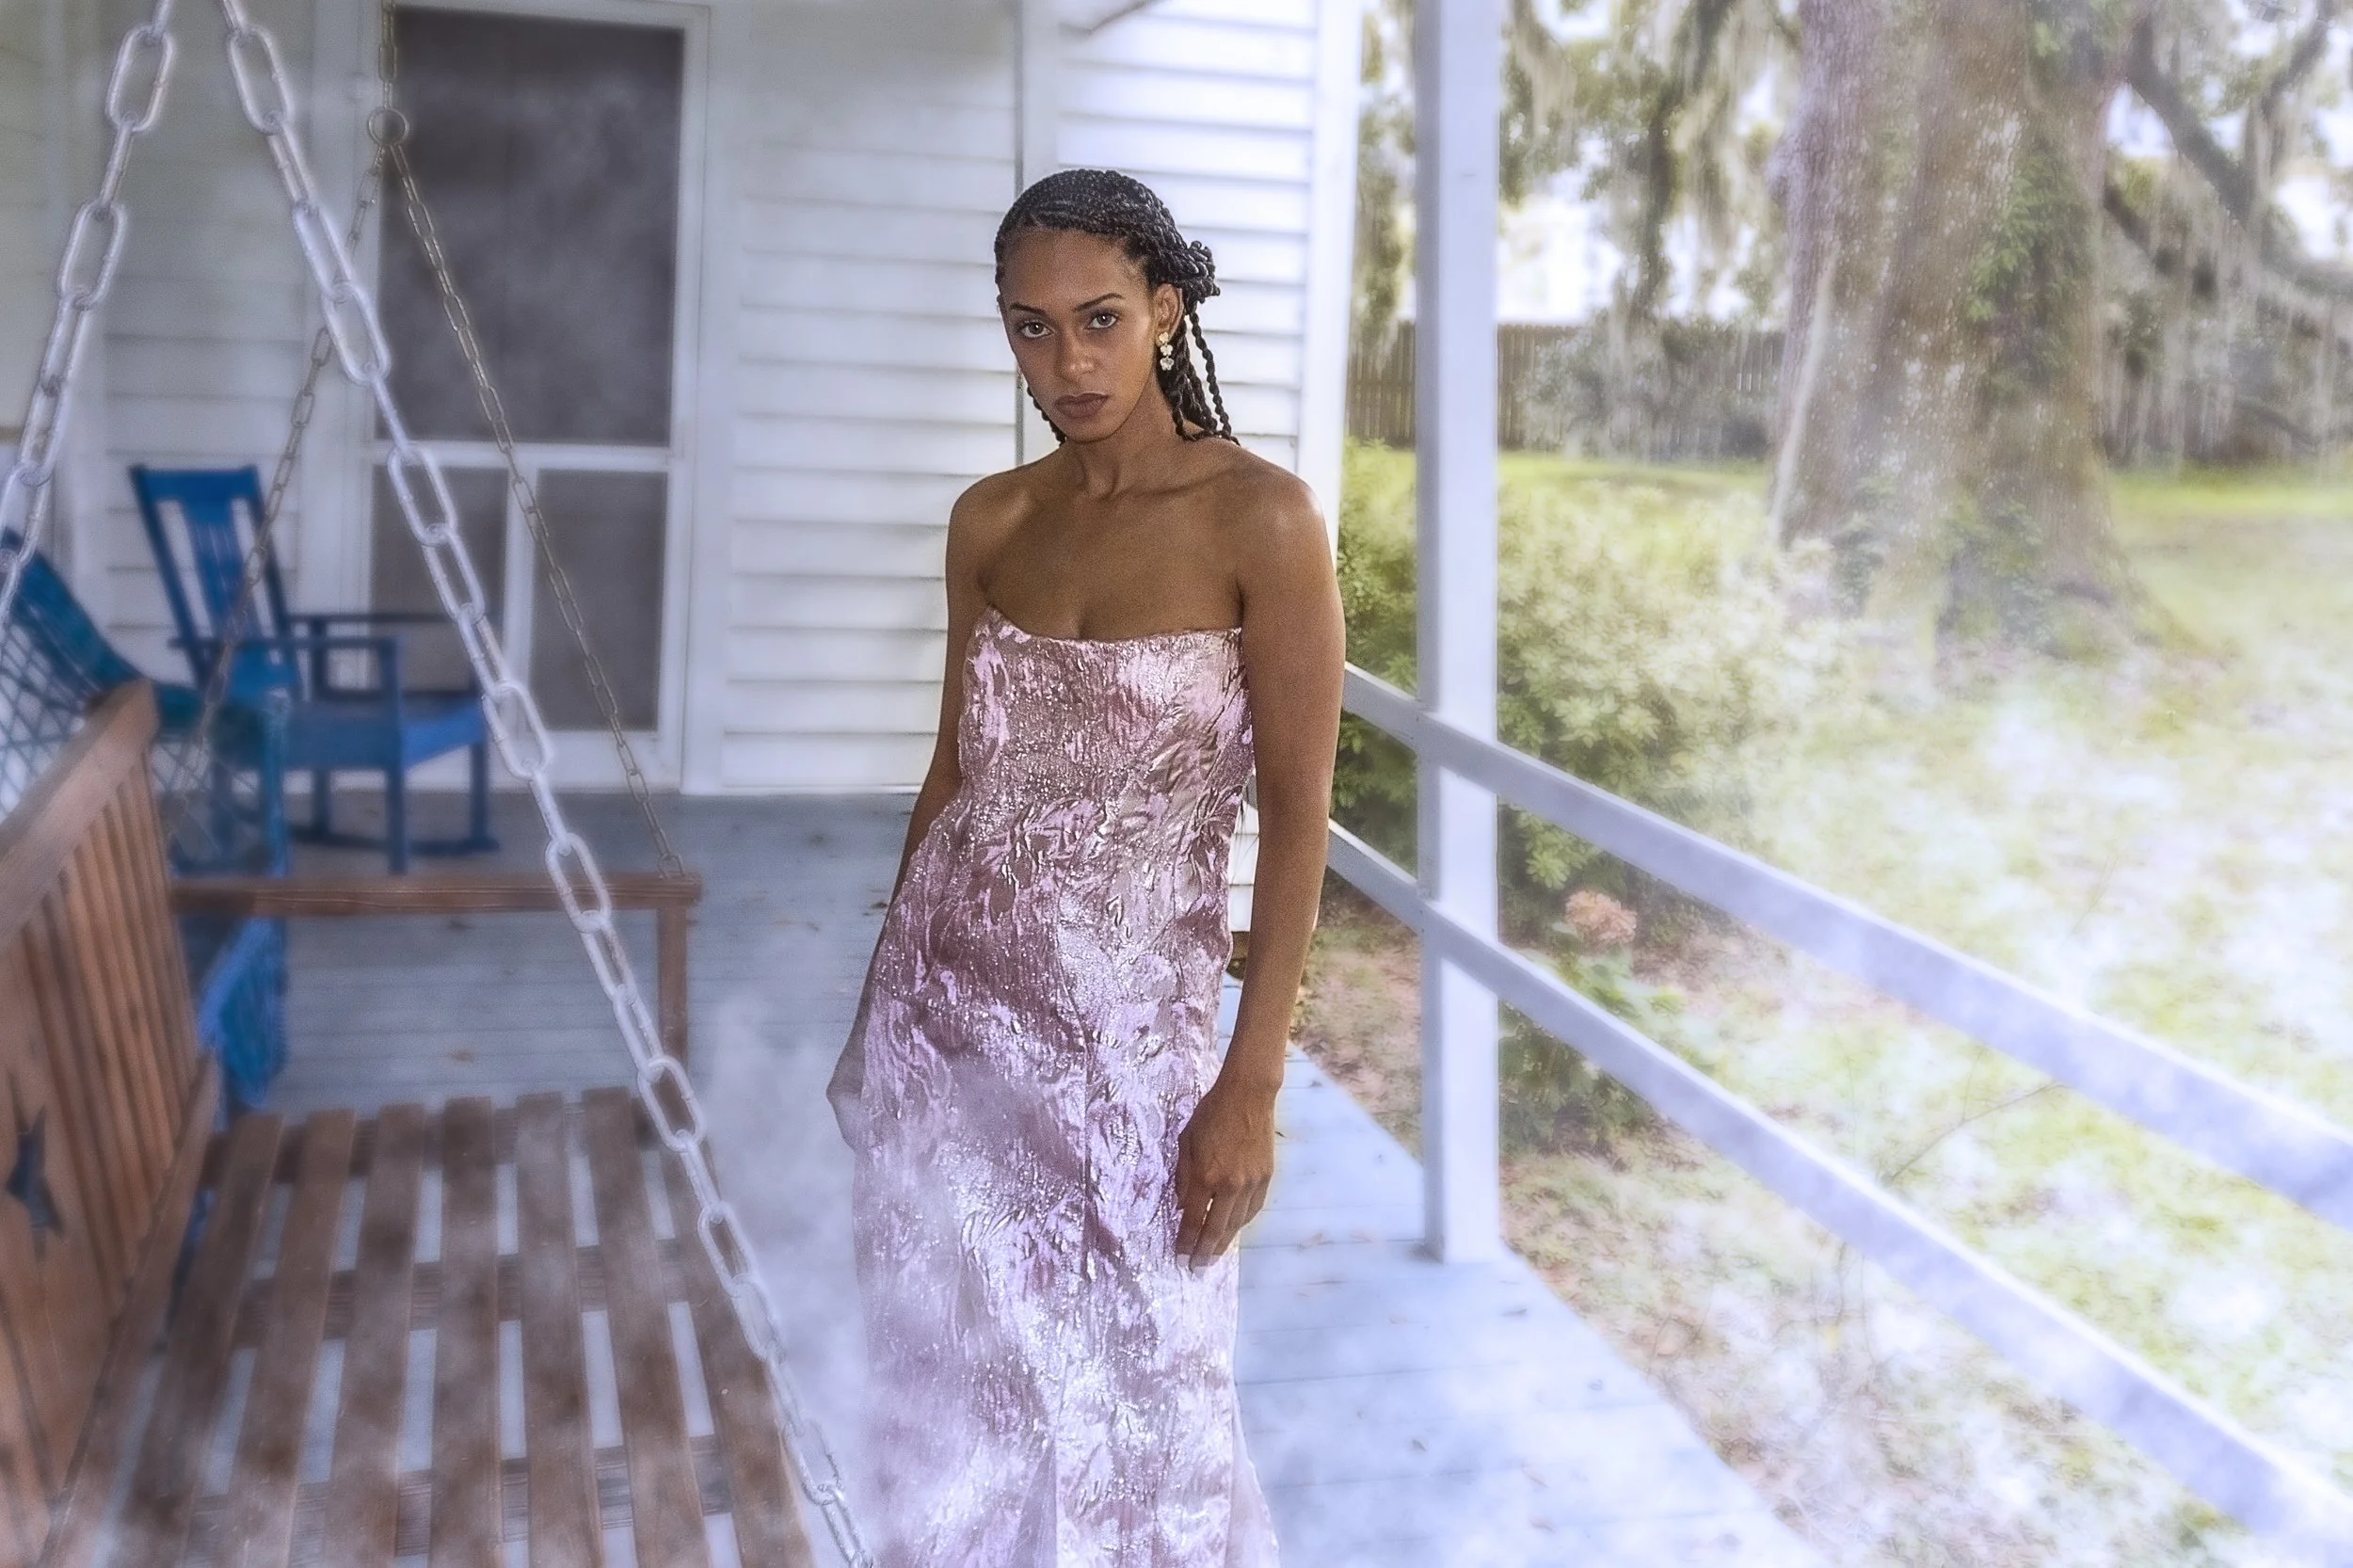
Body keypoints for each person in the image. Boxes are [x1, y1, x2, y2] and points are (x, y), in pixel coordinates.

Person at [824, 167, 1345, 1566]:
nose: (1068, 362)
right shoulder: (990, 522)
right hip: (950, 1032)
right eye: (1031, 328)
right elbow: (953, 776)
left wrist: (1251, 1080)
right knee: (951, 1393)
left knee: (1146, 1401)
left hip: (1131, 1055)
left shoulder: (1266, 524)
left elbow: (1300, 817)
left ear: (1167, 311)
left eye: (1101, 318)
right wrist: (878, 1012)